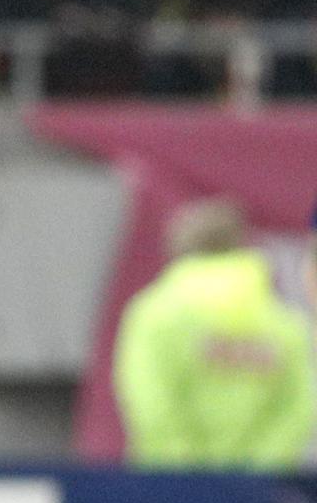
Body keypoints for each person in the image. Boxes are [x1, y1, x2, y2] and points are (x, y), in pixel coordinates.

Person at [114, 200, 315, 471]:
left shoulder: (153, 314)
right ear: (244, 247)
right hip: (259, 487)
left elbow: (148, 399)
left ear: (178, 249)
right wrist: (260, 468)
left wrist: (182, 465)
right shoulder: (283, 323)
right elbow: (298, 406)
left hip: (168, 481)